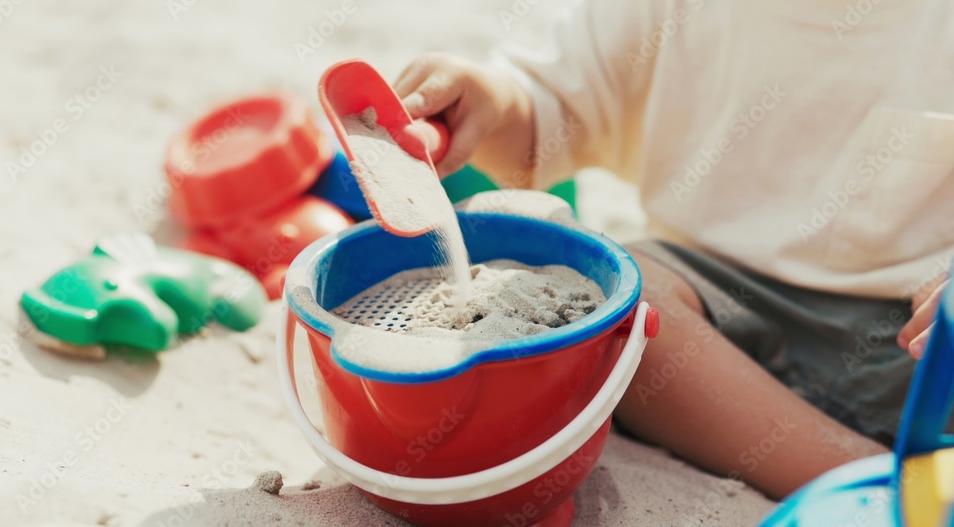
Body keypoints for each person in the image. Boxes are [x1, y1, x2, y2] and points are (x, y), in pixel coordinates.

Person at [392, 0, 954, 499]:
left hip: (915, 343)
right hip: (713, 319)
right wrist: (492, 101)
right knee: (618, 307)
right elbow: (548, 117)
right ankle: (877, 482)